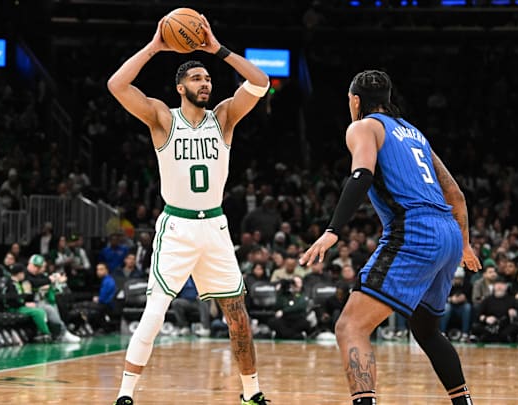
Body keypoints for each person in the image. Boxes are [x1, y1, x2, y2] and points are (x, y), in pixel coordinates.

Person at [107, 13, 270, 405]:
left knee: (238, 316)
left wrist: (218, 50)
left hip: (214, 227)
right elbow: (117, 85)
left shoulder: (225, 117)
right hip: (177, 227)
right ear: (180, 87)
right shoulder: (163, 119)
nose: (205, 84)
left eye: (208, 79)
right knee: (156, 311)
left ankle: (252, 393)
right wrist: (155, 45)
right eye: (197, 78)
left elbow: (260, 83)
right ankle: (125, 394)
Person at [299, 70, 481, 405]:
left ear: (355, 101)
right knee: (426, 329)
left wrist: (332, 231)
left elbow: (362, 174)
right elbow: (455, 194)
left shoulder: (363, 126)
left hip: (415, 232)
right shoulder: (415, 134)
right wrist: (465, 244)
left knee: (350, 327)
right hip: (449, 234)